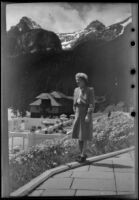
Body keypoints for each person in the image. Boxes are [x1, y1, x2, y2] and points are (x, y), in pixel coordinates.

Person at [72, 72, 95, 162]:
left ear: (84, 81)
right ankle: (81, 153)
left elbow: (91, 105)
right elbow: (74, 104)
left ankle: (83, 155)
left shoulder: (90, 90)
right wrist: (75, 110)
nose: (77, 82)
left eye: (79, 81)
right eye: (76, 81)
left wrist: (88, 115)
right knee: (79, 135)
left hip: (85, 114)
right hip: (78, 114)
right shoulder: (76, 90)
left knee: (84, 136)